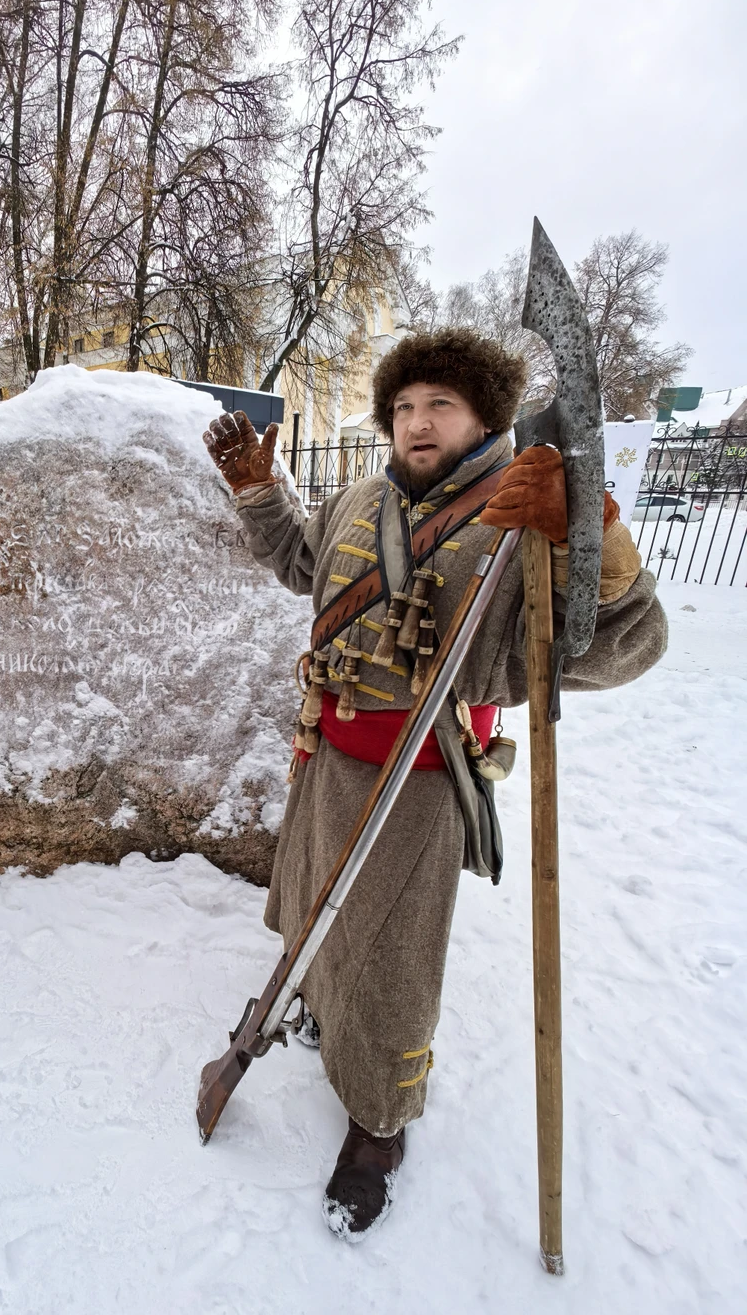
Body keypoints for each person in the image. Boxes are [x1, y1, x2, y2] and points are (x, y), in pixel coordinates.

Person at [202, 328, 667, 1241]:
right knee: (315, 912)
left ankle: (378, 1127)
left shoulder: (520, 522)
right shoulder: (363, 496)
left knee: (391, 962)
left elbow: (624, 646)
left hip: (420, 780)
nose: (417, 422)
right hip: (326, 757)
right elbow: (306, 566)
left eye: (439, 406)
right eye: (404, 406)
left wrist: (592, 535)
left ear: (484, 417)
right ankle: (319, 1015)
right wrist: (260, 494)